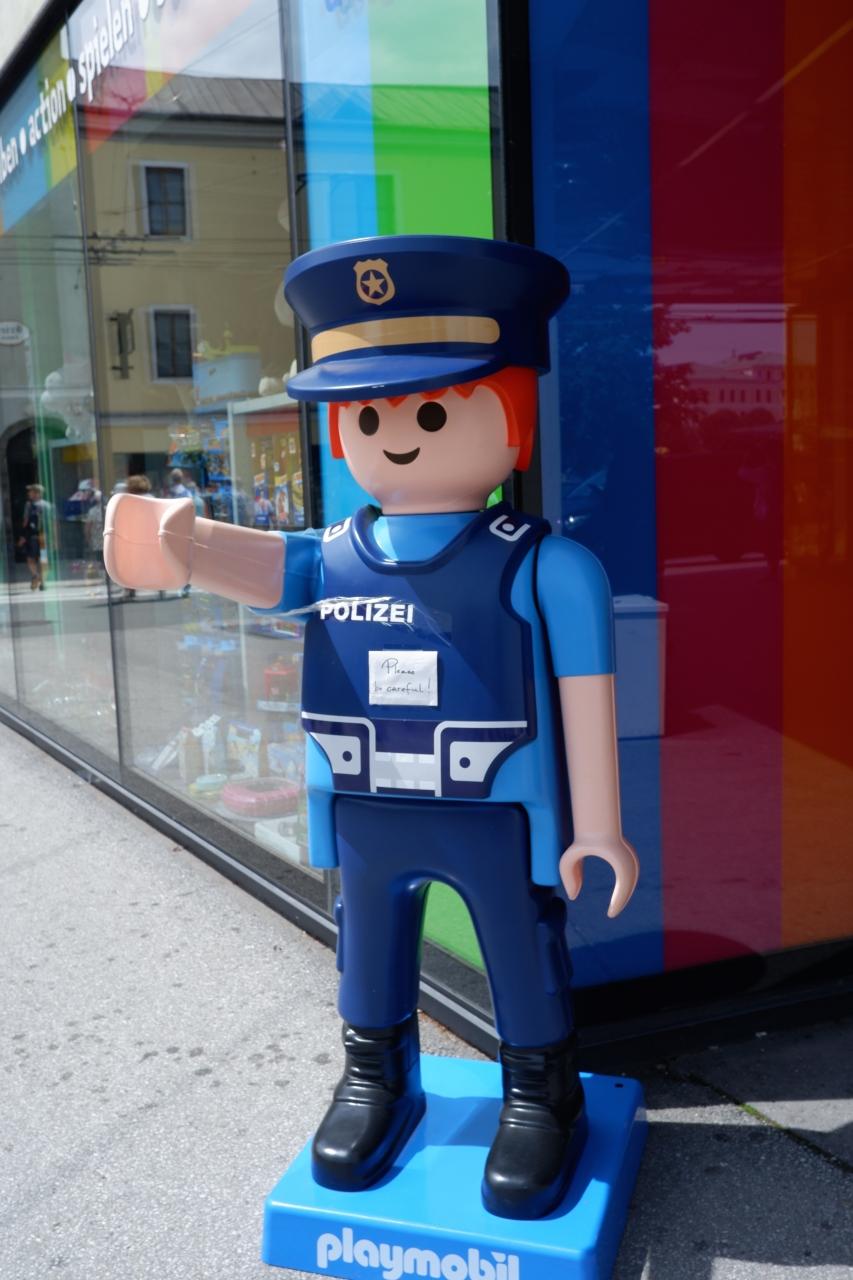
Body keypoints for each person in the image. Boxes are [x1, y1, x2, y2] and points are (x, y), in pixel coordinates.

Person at [103, 235, 638, 1221]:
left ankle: (540, 1090)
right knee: (369, 944)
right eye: (367, 412)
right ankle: (374, 1078)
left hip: (493, 807)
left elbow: (585, 691)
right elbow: (257, 562)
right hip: (365, 803)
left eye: (432, 410)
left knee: (516, 944)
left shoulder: (544, 565)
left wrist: (596, 825)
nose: (397, 434)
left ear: (511, 414)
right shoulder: (333, 553)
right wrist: (180, 542)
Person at [18, 483, 51, 590]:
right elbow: (52, 523)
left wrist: (22, 536)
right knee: (44, 559)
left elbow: (25, 522)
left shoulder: (28, 505)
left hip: (32, 536)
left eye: (31, 491)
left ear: (37, 493)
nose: (29, 493)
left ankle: (35, 575)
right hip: (43, 537)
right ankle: (43, 582)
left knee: (30, 558)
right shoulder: (47, 505)